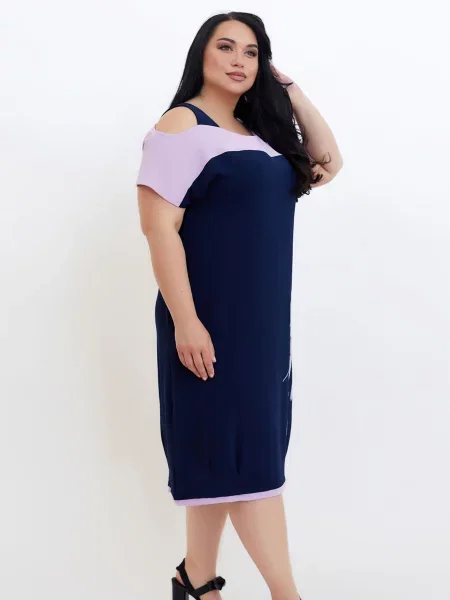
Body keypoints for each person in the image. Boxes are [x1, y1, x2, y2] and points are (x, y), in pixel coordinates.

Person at [136, 11, 343, 600]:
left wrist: (290, 92)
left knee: (225, 461)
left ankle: (195, 581)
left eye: (251, 52)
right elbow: (158, 229)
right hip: (210, 322)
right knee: (247, 465)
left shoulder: (262, 134)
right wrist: (187, 322)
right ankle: (287, 595)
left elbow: (328, 163)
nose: (239, 61)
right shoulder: (181, 125)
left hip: (263, 326)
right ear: (201, 53)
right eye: (226, 47)